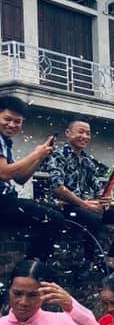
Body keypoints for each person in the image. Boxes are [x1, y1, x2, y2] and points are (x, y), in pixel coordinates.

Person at [45, 116, 114, 271]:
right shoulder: (58, 156)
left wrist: (106, 197)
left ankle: (112, 259)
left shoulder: (87, 161)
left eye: (88, 133)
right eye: (80, 132)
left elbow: (98, 187)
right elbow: (58, 189)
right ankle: (88, 261)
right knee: (92, 218)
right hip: (64, 207)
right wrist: (84, 205)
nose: (85, 136)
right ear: (68, 133)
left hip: (86, 206)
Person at [0, 94, 66, 261]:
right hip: (2, 203)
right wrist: (35, 154)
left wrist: (40, 157)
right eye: (7, 119)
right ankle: (30, 268)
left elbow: (20, 178)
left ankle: (35, 264)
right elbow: (4, 173)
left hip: (7, 200)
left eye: (18, 121)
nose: (12, 125)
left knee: (55, 211)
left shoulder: (5, 141)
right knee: (54, 219)